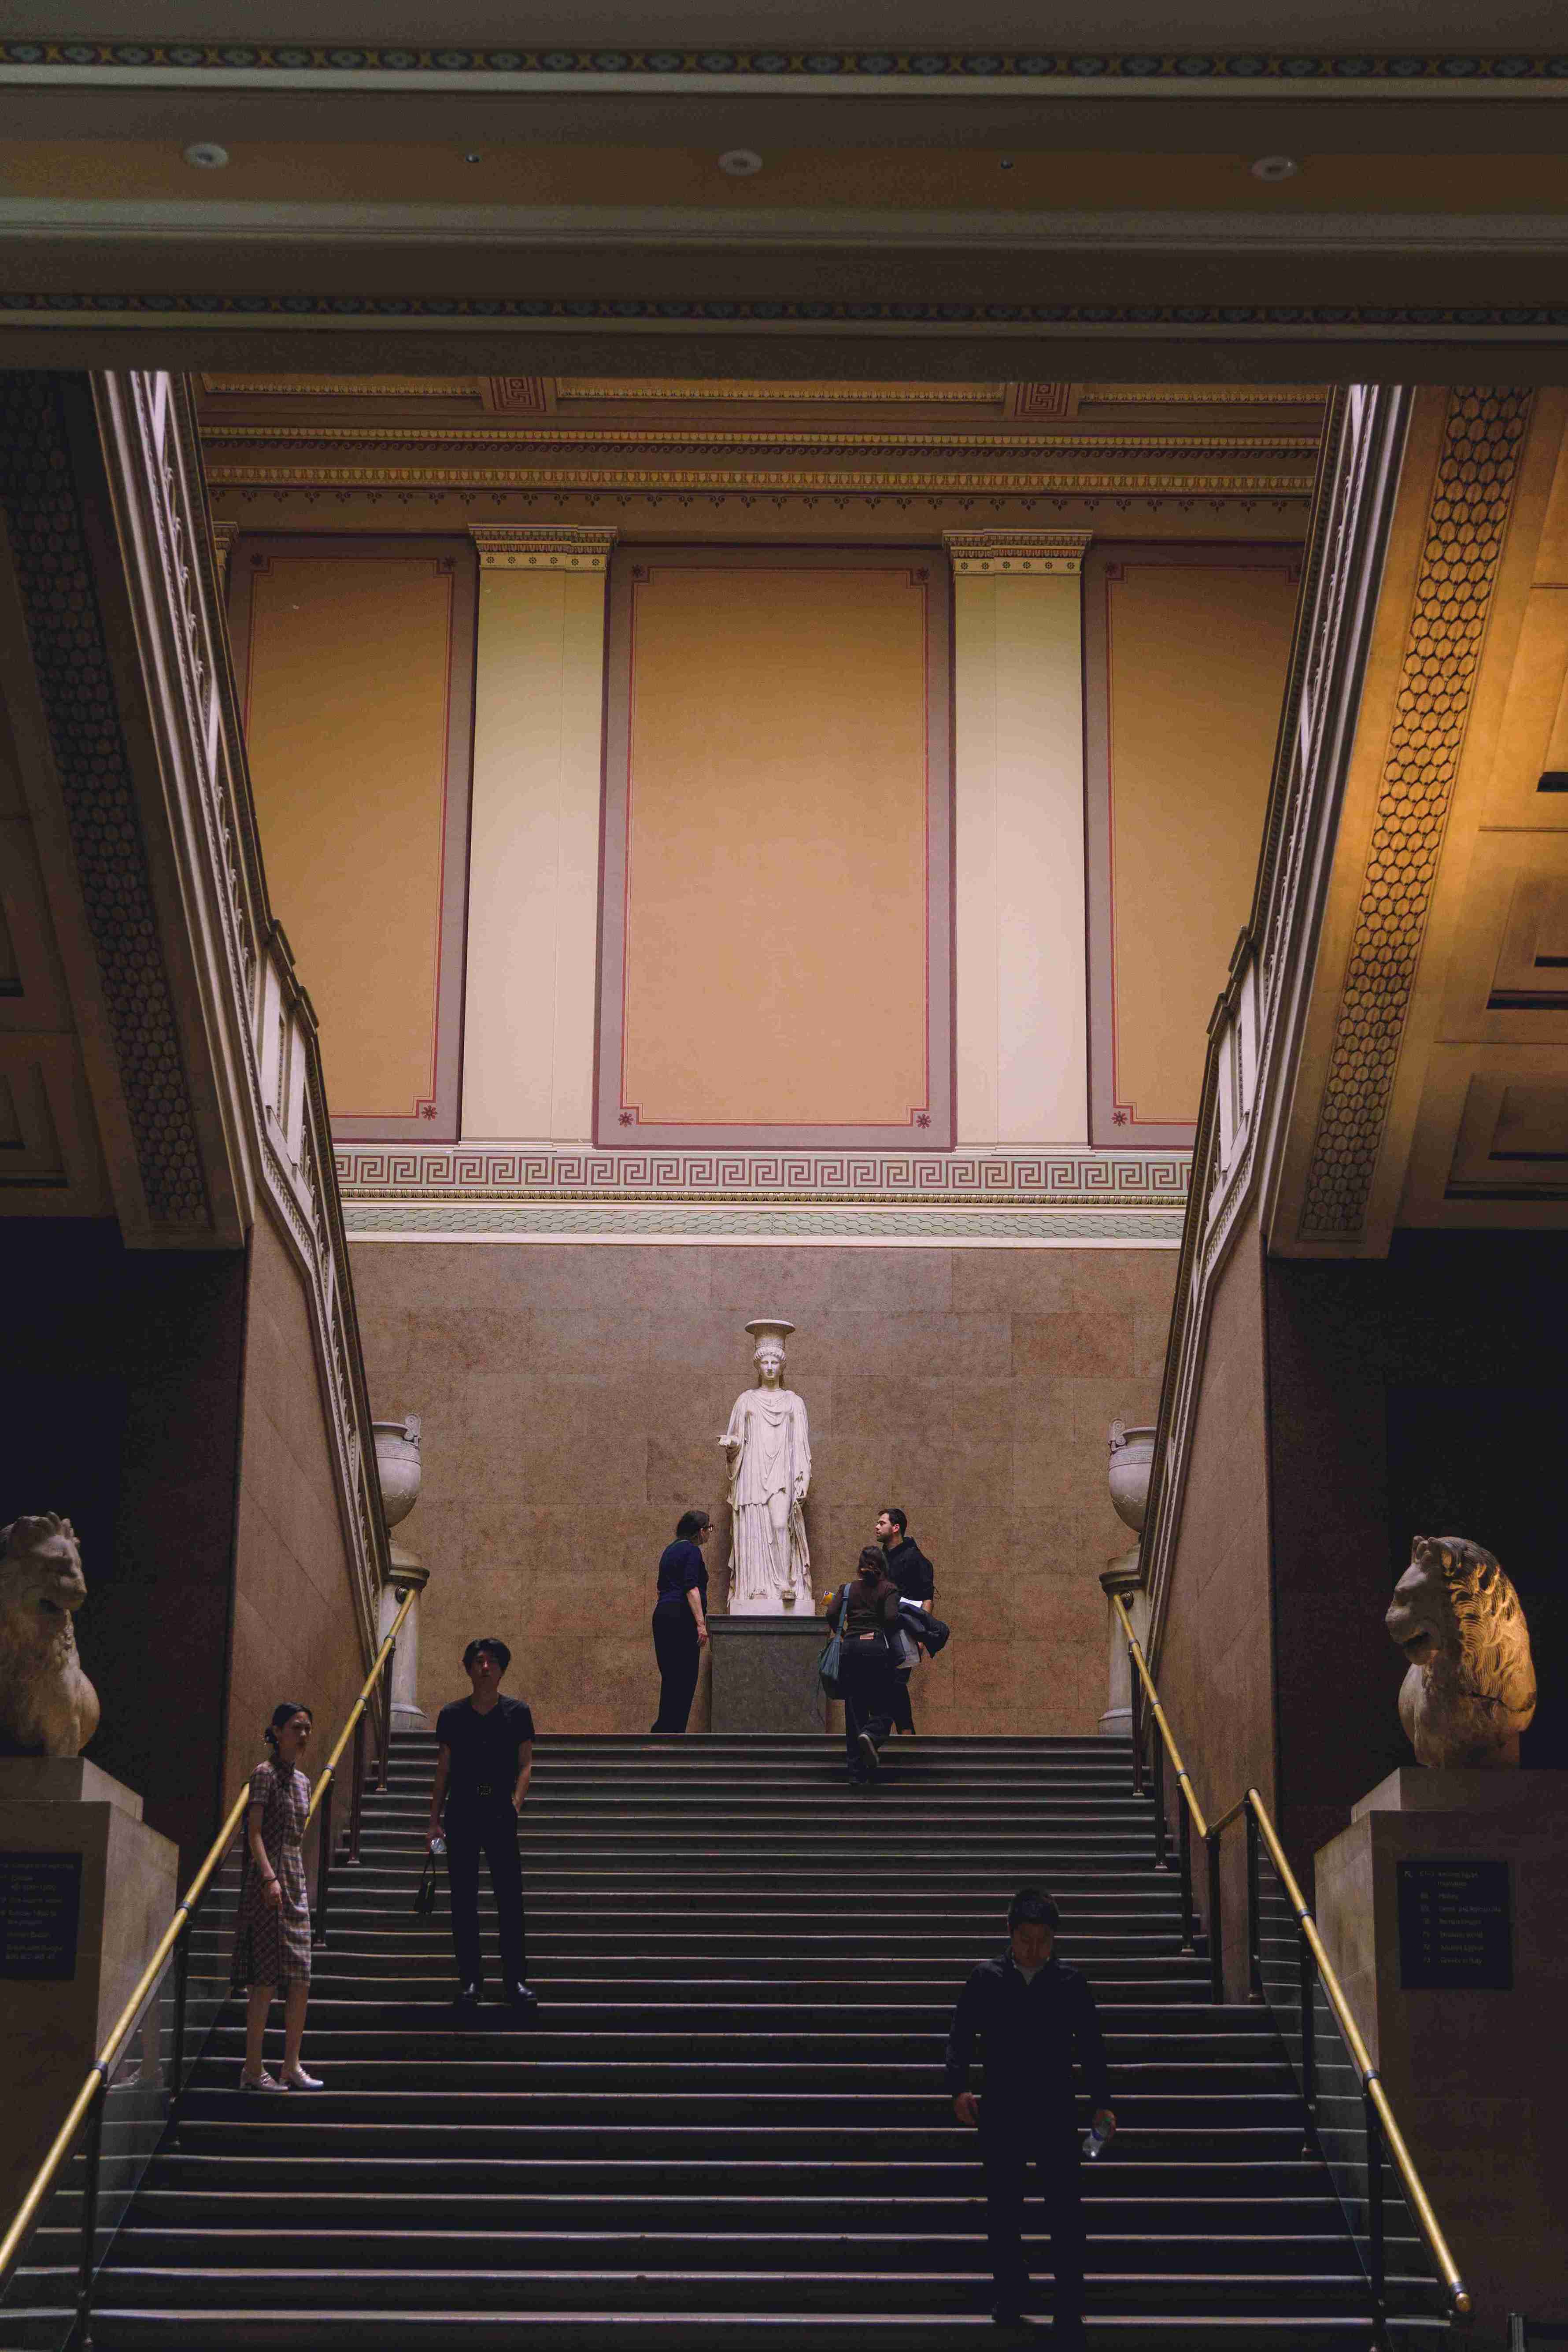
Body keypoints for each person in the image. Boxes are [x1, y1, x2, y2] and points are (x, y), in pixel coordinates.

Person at [946, 1886, 1115, 2337]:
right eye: (1025, 1939)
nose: (1034, 1948)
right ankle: (1011, 2294)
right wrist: (957, 2088)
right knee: (1003, 2209)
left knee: (1064, 2211)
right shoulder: (985, 1979)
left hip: (1055, 2110)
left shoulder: (1070, 1983)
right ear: (1010, 1934)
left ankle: (1068, 2303)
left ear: (1054, 1939)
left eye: (1043, 1939)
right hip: (1000, 2109)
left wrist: (1102, 2103)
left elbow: (1092, 2049)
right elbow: (960, 2038)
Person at [427, 1637, 536, 2015]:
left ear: (502, 1669)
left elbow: (526, 1764)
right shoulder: (452, 1715)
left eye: (491, 1661)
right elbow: (444, 1768)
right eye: (477, 1660)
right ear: (469, 1669)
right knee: (463, 1899)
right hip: (463, 1810)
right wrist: (434, 1820)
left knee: (510, 1897)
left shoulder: (518, 1712)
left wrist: (516, 1804)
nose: (485, 1666)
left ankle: (515, 1980)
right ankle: (471, 1980)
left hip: (500, 1811)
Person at [230, 1701, 320, 2092]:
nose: (302, 1736)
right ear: (278, 1731)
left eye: (307, 1729)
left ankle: (291, 2065)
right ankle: (253, 2067)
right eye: (296, 1728)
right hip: (267, 1883)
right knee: (264, 1980)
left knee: (300, 1977)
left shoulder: (304, 1783)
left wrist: (292, 1882)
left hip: (295, 1883)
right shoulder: (263, 1775)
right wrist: (269, 1878)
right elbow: (253, 1835)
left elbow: (297, 1840)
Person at [823, 1546, 901, 1784]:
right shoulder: (888, 1589)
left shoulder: (847, 1589)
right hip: (876, 1650)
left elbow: (831, 1614)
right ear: (883, 1566)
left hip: (851, 1650)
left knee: (854, 1711)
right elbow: (890, 1618)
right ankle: (872, 1733)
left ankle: (857, 1774)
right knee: (886, 1705)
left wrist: (844, 1633)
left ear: (860, 1565)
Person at [876, 1505, 936, 1735]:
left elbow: (926, 1597)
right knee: (889, 1684)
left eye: (882, 1523)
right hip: (881, 1633)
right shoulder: (879, 1558)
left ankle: (890, 1732)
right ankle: (905, 1732)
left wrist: (921, 1636)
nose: (877, 1526)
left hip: (905, 1633)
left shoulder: (915, 1558)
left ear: (896, 1528)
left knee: (896, 1682)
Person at [652, 1508, 711, 1733]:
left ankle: (663, 1733)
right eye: (709, 1528)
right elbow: (691, 1588)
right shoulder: (692, 1552)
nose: (710, 1532)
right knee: (685, 1679)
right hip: (681, 1619)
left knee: (671, 1678)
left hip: (663, 1616)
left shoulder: (670, 1551)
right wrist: (700, 1624)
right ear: (699, 1532)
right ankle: (674, 1735)